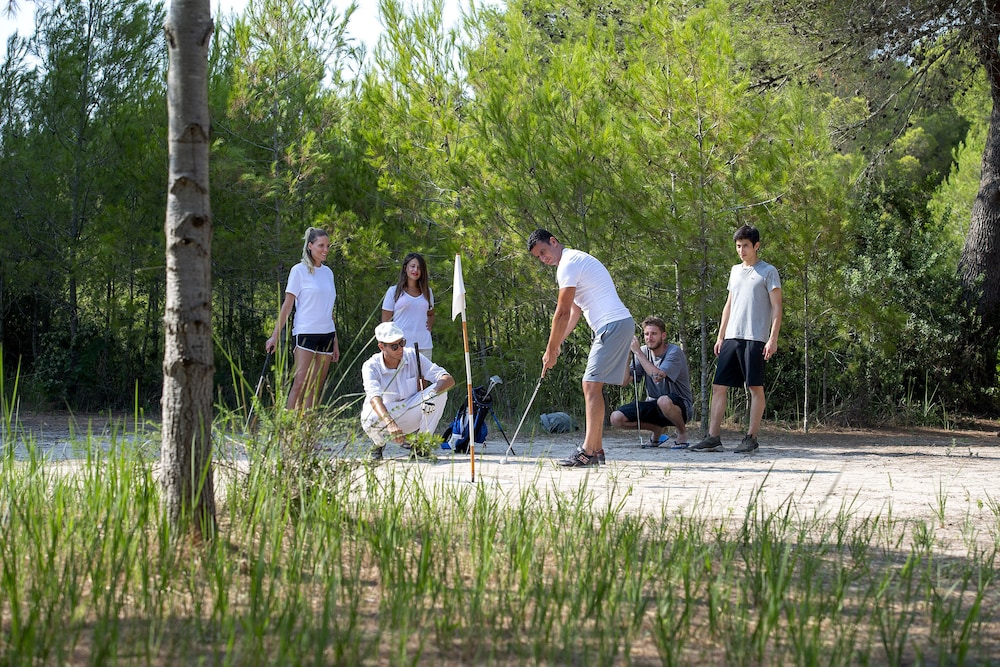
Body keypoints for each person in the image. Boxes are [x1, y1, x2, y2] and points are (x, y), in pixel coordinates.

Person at [528, 229, 635, 467]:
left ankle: (587, 451)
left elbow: (562, 313)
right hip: (617, 324)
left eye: (543, 251)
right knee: (593, 385)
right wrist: (556, 345)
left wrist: (550, 349)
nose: (543, 258)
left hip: (612, 324)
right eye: (538, 257)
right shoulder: (573, 262)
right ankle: (596, 449)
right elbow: (575, 311)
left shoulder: (568, 263)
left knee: (590, 385)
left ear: (554, 241)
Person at [691, 224, 782, 454]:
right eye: (738, 246)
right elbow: (729, 304)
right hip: (732, 336)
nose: (741, 250)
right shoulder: (734, 271)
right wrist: (720, 336)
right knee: (718, 386)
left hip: (755, 337)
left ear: (756, 246)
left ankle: (751, 438)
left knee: (754, 387)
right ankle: (713, 437)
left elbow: (777, 307)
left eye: (746, 246)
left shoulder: (768, 271)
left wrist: (773, 339)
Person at [265, 227, 340, 410]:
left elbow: (328, 309)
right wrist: (274, 336)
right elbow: (287, 305)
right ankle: (289, 424)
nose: (325, 250)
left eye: (328, 246)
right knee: (300, 383)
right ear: (310, 246)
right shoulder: (298, 271)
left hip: (327, 335)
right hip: (305, 333)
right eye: (321, 245)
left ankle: (308, 425)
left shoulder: (328, 273)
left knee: (316, 386)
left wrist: (335, 342)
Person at [360, 322, 455, 460]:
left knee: (441, 393)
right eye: (394, 346)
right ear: (381, 347)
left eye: (402, 343)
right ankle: (378, 444)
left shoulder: (413, 355)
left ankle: (421, 445)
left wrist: (432, 395)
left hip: (411, 410)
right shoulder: (371, 366)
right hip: (386, 415)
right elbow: (374, 398)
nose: (400, 349)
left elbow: (448, 379)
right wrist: (390, 423)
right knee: (368, 418)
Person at [611, 316, 693, 449]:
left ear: (663, 336)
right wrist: (627, 354)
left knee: (663, 401)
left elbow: (657, 376)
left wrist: (638, 352)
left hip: (680, 406)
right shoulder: (643, 351)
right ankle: (657, 430)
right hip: (654, 404)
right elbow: (624, 382)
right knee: (616, 418)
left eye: (654, 334)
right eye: (646, 334)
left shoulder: (674, 352)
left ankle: (682, 433)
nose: (649, 337)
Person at [381, 252, 435, 359]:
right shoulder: (393, 291)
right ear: (405, 268)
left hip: (424, 346)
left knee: (425, 371)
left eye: (419, 267)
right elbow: (386, 322)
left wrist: (428, 328)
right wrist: (390, 344)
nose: (415, 270)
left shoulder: (427, 292)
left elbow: (431, 313)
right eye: (412, 266)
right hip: (401, 346)